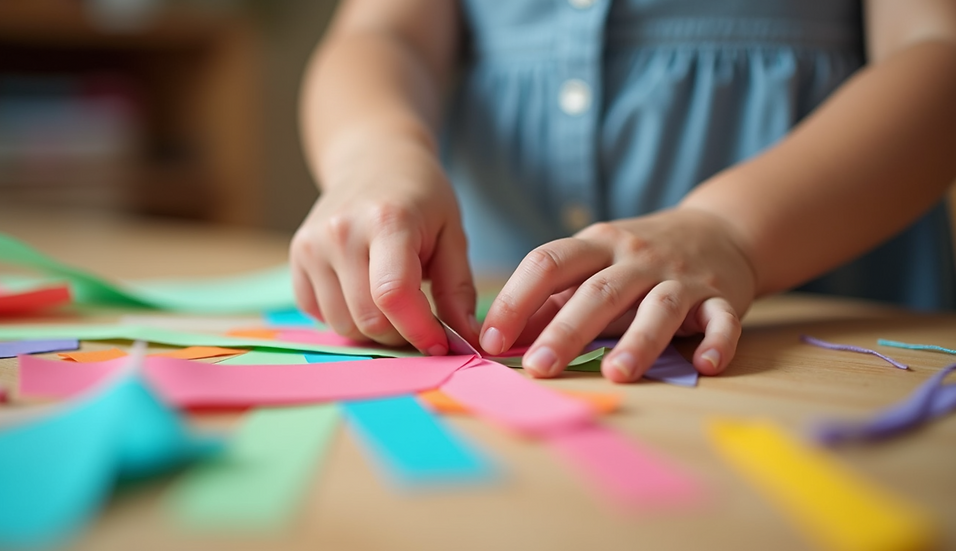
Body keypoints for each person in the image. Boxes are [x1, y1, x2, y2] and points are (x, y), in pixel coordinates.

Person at [290, 0, 956, 383]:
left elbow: (936, 50)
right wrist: (372, 155)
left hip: (828, 358)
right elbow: (383, 32)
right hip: (504, 373)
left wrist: (732, 232)